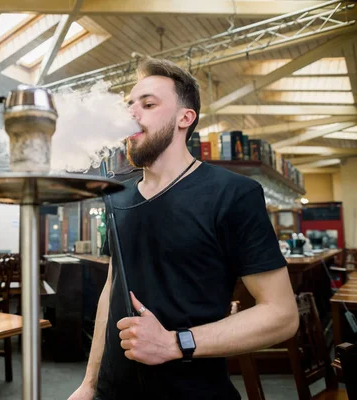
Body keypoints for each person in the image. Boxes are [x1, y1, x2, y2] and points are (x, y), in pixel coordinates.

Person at [69, 59, 299, 400]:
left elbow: (281, 315)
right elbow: (112, 289)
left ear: (184, 118)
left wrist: (175, 343)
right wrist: (89, 383)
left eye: (148, 104)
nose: (132, 113)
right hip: (112, 391)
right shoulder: (117, 198)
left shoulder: (232, 193)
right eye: (129, 105)